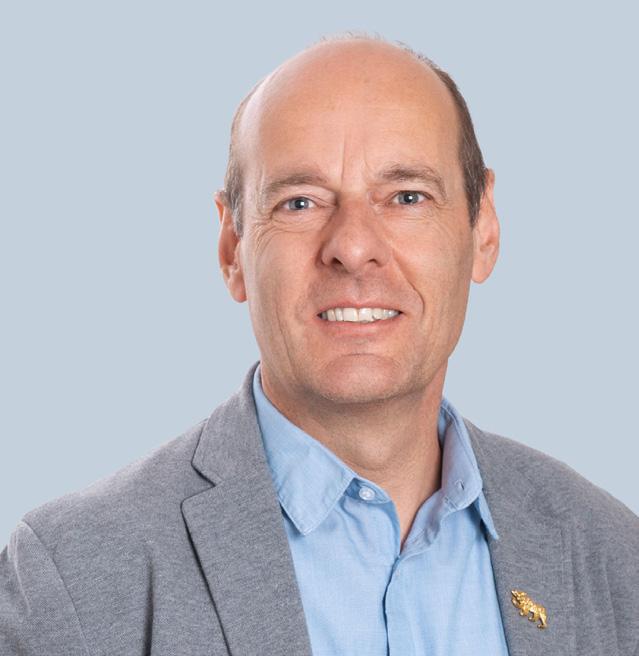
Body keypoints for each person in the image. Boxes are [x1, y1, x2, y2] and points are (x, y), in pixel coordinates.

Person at [1, 32, 637, 656]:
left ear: (484, 230)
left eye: (407, 197)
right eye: (300, 203)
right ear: (232, 250)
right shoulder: (69, 579)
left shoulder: (614, 557)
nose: (353, 246)